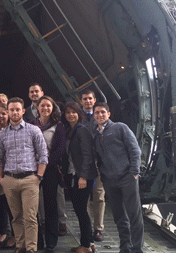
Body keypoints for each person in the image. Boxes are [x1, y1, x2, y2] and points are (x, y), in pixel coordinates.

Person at [0, 97, 48, 253]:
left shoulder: (33, 130)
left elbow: (43, 155)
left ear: (23, 111)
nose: (15, 112)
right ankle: (20, 246)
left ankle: (31, 248)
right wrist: (0, 179)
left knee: (30, 217)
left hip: (30, 179)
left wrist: (38, 176)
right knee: (16, 217)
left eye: (17, 109)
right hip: (10, 179)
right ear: (8, 112)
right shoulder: (2, 134)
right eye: (11, 110)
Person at [92, 102, 144, 253]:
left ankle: (136, 249)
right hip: (110, 180)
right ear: (94, 115)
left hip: (127, 177)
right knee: (119, 217)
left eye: (103, 112)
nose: (100, 115)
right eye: (97, 113)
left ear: (108, 114)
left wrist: (134, 172)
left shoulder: (120, 128)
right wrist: (103, 175)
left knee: (134, 215)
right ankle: (125, 248)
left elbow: (134, 149)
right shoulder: (95, 134)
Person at [32, 96, 67, 251]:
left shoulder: (58, 126)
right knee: (33, 206)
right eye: (42, 106)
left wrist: (44, 165)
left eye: (48, 106)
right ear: (37, 108)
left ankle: (51, 241)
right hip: (32, 169)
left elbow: (59, 150)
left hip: (50, 170)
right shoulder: (31, 125)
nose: (45, 108)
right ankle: (37, 240)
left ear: (53, 108)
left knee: (50, 205)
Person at [62, 102, 98, 253]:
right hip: (73, 175)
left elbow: (88, 155)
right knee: (79, 209)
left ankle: (86, 246)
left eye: (74, 112)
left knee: (81, 210)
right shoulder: (70, 130)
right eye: (68, 112)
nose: (71, 115)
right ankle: (88, 242)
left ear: (79, 114)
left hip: (82, 177)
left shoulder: (82, 130)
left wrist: (83, 176)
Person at [80, 89, 105, 242]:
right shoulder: (78, 116)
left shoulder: (100, 116)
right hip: (83, 162)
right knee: (84, 197)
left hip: (99, 162)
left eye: (90, 98)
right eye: (85, 99)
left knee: (99, 196)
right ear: (81, 101)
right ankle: (87, 227)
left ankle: (98, 228)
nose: (88, 101)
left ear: (94, 100)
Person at [0, 102, 15, 249]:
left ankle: (13, 235)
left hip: (10, 173)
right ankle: (4, 232)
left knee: (11, 205)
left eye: (3, 113)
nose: (1, 116)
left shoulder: (12, 130)